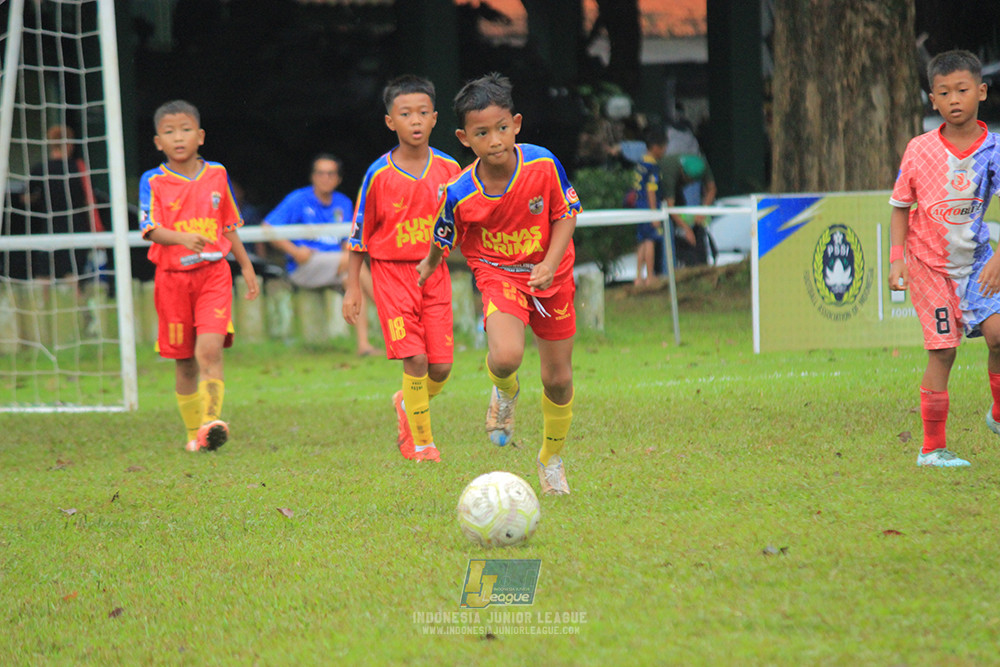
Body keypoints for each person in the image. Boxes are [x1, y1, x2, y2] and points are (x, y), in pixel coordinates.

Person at [418, 73, 582, 495]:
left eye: (502, 128)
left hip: (552, 275)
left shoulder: (543, 164)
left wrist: (549, 261)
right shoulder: (458, 192)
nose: (495, 140)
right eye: (482, 132)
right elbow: (442, 237)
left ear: (517, 124)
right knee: (506, 356)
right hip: (498, 274)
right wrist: (427, 267)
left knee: (558, 379)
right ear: (463, 137)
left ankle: (551, 459)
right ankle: (504, 392)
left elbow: (566, 213)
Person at [888, 49, 1000, 468]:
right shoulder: (919, 150)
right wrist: (897, 260)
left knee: (998, 335)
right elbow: (900, 206)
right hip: (929, 266)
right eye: (944, 92)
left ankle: (998, 413)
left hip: (977, 264)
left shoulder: (994, 149)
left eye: (963, 90)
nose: (954, 99)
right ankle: (932, 449)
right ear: (932, 100)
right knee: (943, 352)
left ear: (981, 92)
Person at [343, 75, 461, 462]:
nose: (415, 120)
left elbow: (465, 220)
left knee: (440, 367)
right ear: (390, 121)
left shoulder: (450, 169)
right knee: (416, 360)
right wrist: (353, 288)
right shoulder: (378, 174)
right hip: (393, 276)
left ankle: (406, 402)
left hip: (435, 273)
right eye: (405, 113)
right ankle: (422, 443)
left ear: (435, 119)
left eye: (423, 113)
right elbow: (359, 234)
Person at [138, 100, 259, 453]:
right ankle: (195, 434)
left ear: (201, 136)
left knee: (209, 350)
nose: (179, 138)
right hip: (172, 278)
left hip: (213, 275)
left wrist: (247, 266)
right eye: (170, 132)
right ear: (158, 141)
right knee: (185, 361)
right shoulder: (154, 180)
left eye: (186, 129)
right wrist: (180, 238)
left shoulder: (217, 174)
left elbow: (229, 226)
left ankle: (210, 423)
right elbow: (149, 228)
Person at [263, 154, 378, 357]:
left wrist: (346, 251)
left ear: (338, 179)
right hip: (305, 267)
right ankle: (385, 308)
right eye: (320, 173)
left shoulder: (343, 202)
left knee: (353, 283)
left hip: (336, 266)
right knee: (353, 265)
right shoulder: (298, 199)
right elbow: (267, 227)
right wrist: (294, 251)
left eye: (330, 174)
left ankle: (364, 346)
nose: (325, 178)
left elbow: (348, 240)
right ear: (313, 177)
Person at [21, 124, 104, 281]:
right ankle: (77, 301)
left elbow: (26, 198)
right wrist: (97, 228)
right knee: (73, 271)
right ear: (69, 144)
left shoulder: (40, 169)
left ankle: (42, 304)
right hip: (75, 225)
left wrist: (40, 199)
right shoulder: (78, 167)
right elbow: (89, 199)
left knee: (45, 271)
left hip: (49, 224)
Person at [658, 152, 717, 268]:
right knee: (668, 225)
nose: (691, 183)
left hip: (677, 195)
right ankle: (667, 267)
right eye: (689, 180)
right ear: (683, 173)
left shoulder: (703, 164)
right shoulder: (670, 171)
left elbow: (712, 189)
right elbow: (669, 207)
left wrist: (703, 211)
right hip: (660, 193)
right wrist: (686, 229)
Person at [628, 125, 667, 287]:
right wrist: (654, 214)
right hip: (648, 206)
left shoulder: (641, 162)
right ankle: (650, 276)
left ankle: (638, 277)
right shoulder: (652, 166)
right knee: (650, 240)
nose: (665, 152)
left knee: (642, 241)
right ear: (657, 147)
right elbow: (651, 190)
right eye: (664, 148)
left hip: (639, 205)